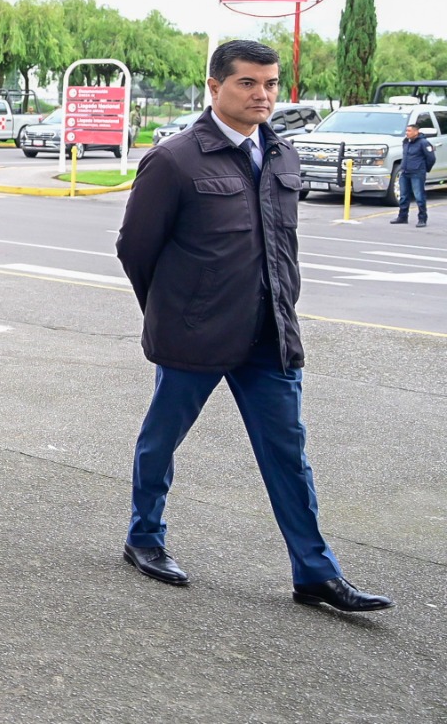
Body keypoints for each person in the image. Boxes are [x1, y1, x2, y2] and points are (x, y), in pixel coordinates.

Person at [116, 39, 393, 613]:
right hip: (197, 334)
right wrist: (172, 314)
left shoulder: (284, 156)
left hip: (269, 336)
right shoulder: (174, 159)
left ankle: (315, 572)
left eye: (270, 83)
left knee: (288, 452)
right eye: (247, 83)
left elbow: (281, 248)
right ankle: (144, 537)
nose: (262, 94)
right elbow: (136, 249)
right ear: (215, 86)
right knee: (162, 439)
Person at [392, 122, 434, 227]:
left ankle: (422, 218)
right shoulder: (406, 142)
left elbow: (431, 158)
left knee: (419, 196)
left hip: (417, 173)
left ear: (416, 132)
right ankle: (402, 216)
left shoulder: (424, 143)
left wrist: (424, 169)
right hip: (405, 172)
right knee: (403, 196)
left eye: (409, 131)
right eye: (406, 131)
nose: (407, 133)